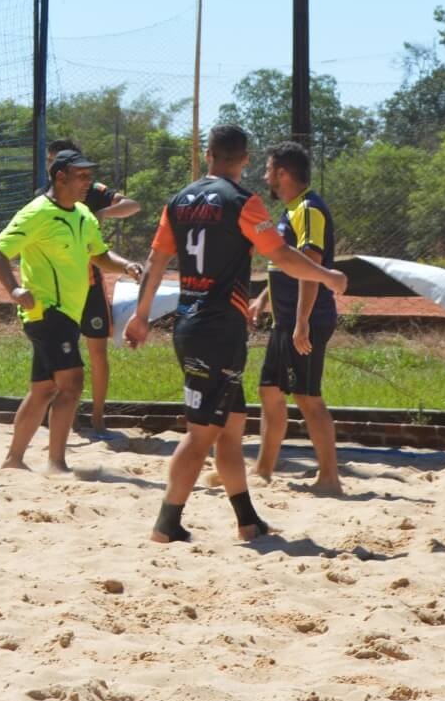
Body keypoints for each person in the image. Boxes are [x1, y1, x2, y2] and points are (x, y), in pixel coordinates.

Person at [124, 125, 347, 543]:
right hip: (219, 330)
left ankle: (248, 521)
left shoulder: (178, 201)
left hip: (189, 324)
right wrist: (328, 276)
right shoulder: (244, 203)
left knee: (232, 425)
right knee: (202, 432)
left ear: (208, 154)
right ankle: (166, 523)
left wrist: (140, 317)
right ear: (243, 160)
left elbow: (156, 262)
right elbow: (280, 255)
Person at [0, 149, 144, 473]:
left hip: (69, 314)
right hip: (46, 311)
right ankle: (56, 463)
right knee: (72, 382)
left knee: (43, 389)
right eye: (82, 176)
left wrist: (126, 265)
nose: (89, 182)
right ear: (60, 177)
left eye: (90, 175)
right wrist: (15, 289)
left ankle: (13, 460)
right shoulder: (37, 213)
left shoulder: (83, 215)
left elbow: (100, 256)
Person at [251, 141, 343, 493]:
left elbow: (311, 266)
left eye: (269, 169)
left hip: (305, 320)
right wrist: (263, 298)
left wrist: (302, 320)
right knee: (269, 390)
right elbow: (285, 265)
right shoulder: (292, 210)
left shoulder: (307, 209)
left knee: (307, 396)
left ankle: (330, 478)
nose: (265, 176)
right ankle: (262, 471)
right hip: (286, 320)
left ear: (282, 173)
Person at [44, 138, 141, 432]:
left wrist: (103, 213)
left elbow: (132, 205)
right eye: (50, 161)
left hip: (90, 286)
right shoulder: (43, 201)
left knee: (97, 352)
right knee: (60, 357)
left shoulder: (92, 193)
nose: (52, 166)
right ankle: (62, 418)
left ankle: (98, 420)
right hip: (59, 291)